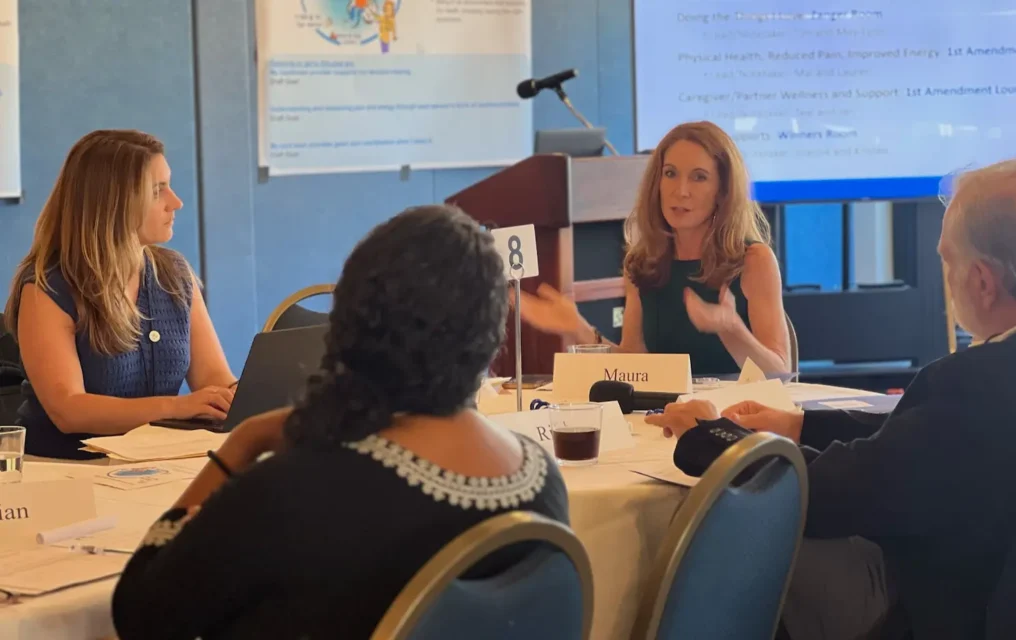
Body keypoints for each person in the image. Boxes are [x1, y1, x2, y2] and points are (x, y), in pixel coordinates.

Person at [112, 205, 569, 640]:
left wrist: (242, 444)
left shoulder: (293, 493)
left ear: (352, 323)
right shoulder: (542, 479)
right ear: (490, 333)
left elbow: (142, 613)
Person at [646, 159, 1016, 639]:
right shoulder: (988, 385)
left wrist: (711, 435)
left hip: (942, 614)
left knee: (743, 538)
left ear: (984, 282)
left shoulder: (974, 385)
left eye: (947, 259)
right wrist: (801, 426)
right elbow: (918, 442)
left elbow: (821, 494)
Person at [3, 130, 235, 460]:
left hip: (154, 465)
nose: (176, 202)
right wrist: (178, 407)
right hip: (64, 470)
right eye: (158, 191)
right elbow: (69, 411)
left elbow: (214, 380)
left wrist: (240, 396)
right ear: (115, 202)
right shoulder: (47, 287)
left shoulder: (174, 273)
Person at [515, 121, 791, 375]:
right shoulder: (644, 261)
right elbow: (635, 364)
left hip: (737, 419)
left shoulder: (753, 260)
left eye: (699, 177)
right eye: (670, 174)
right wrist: (578, 328)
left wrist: (731, 329)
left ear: (722, 191)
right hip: (666, 419)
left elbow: (780, 374)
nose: (680, 190)